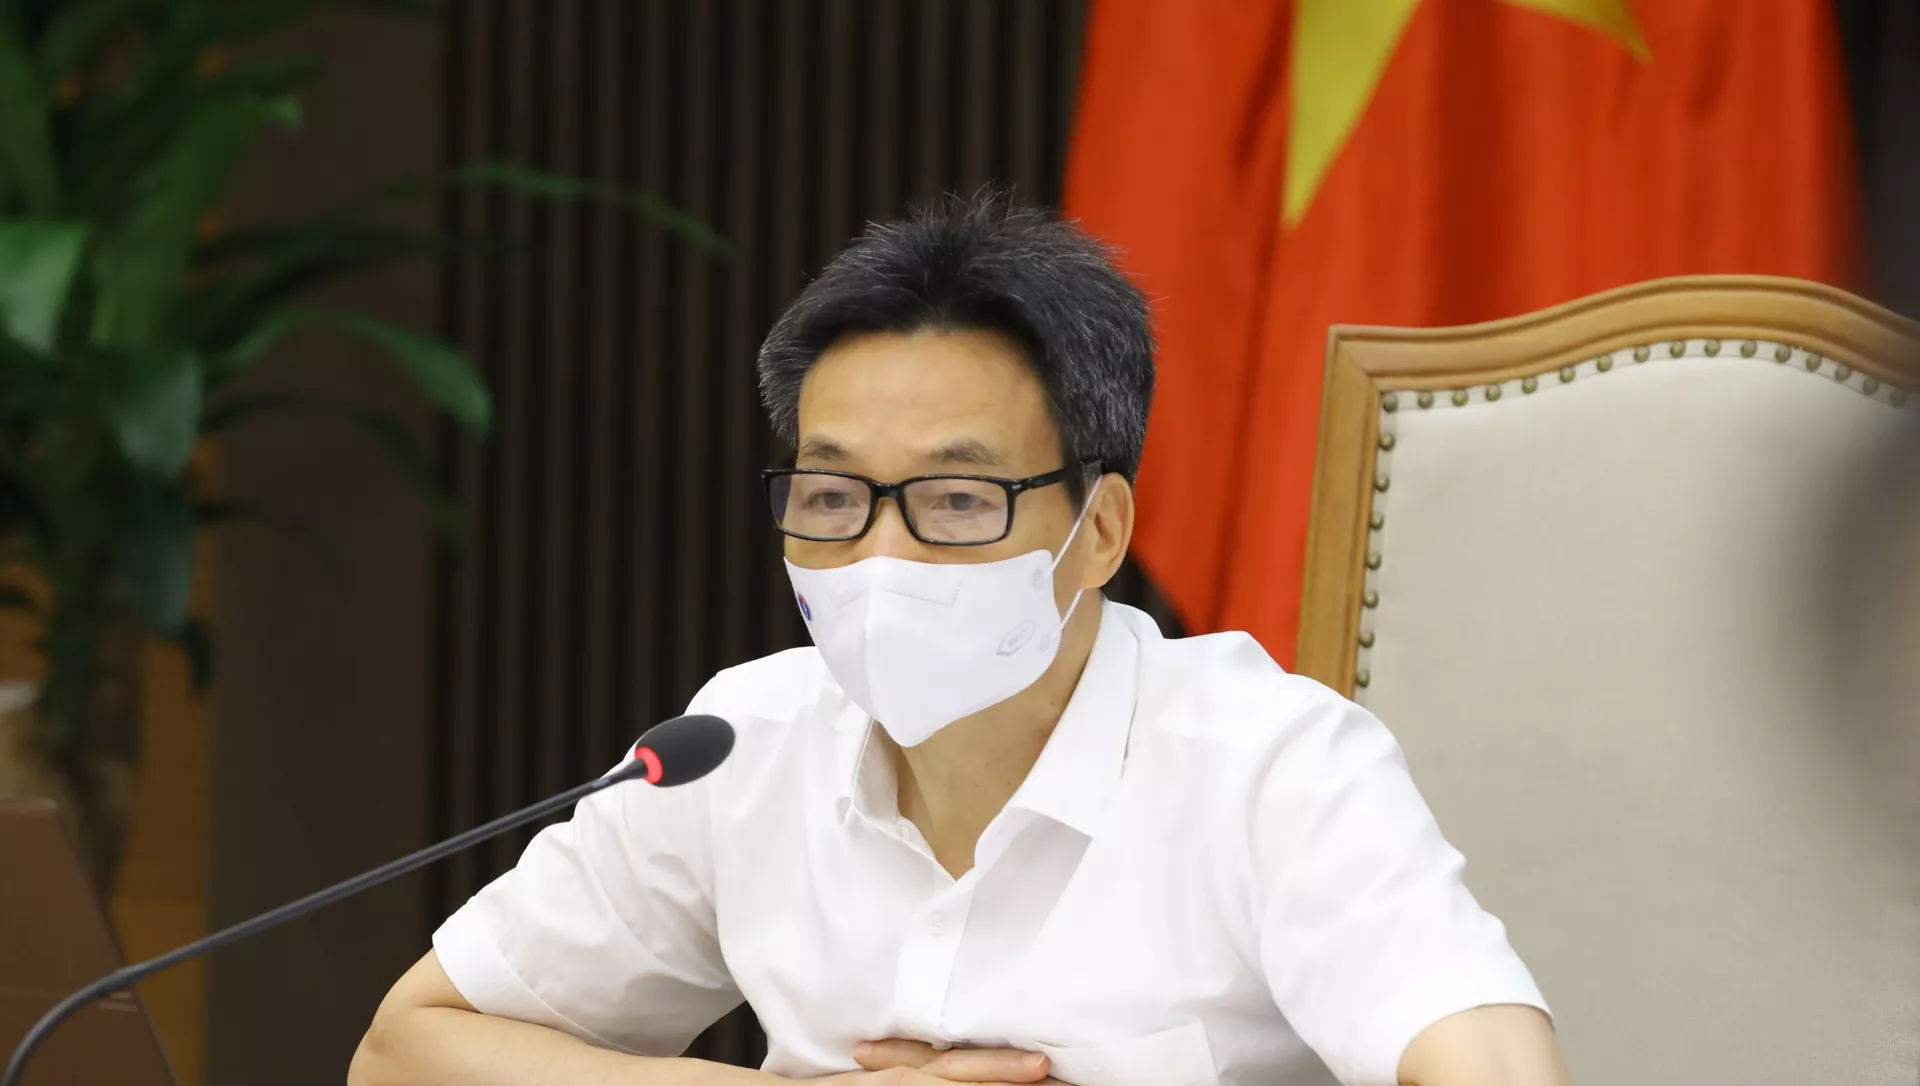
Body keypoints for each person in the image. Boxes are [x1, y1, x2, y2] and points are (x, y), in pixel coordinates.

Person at [349, 193, 1571, 1086]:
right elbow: (406, 1053)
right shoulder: (736, 748)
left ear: (1098, 532)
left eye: (956, 500)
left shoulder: (1269, 764)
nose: (881, 555)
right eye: (833, 496)